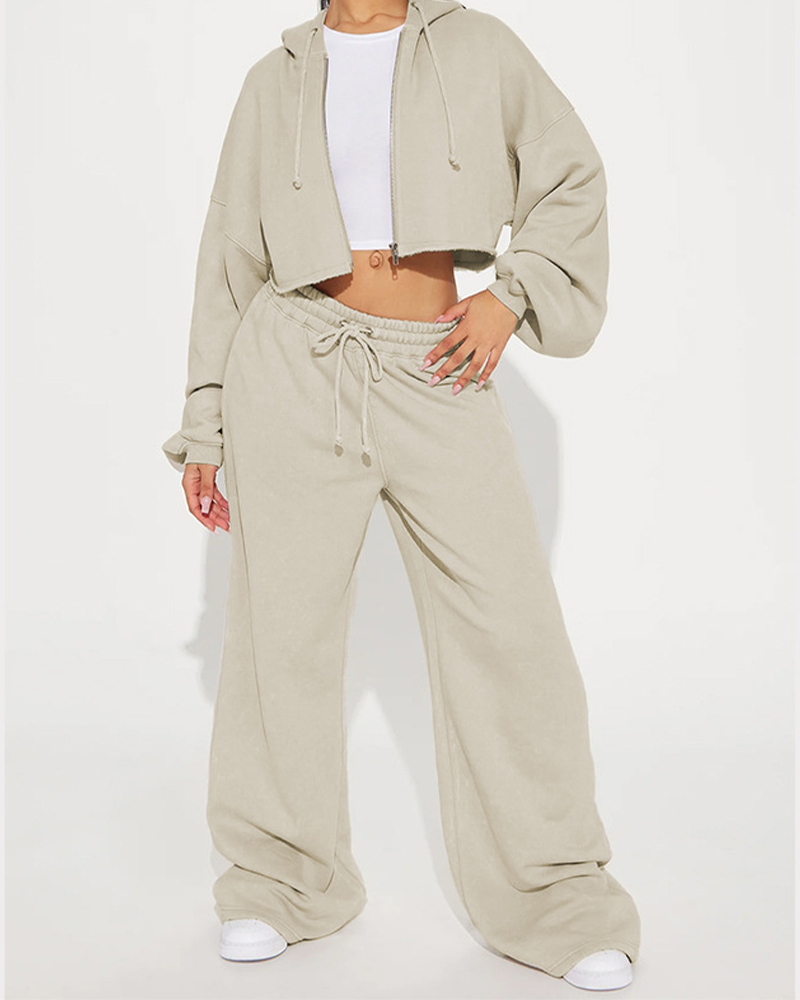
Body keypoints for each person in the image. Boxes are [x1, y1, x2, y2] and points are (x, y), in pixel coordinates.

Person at [161, 0, 642, 990]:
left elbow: (571, 177)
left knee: (511, 634)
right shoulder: (274, 79)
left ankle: (554, 897)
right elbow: (228, 257)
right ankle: (280, 882)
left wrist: (509, 294)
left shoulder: (477, 46)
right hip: (294, 361)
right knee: (280, 637)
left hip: (439, 363)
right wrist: (205, 422)